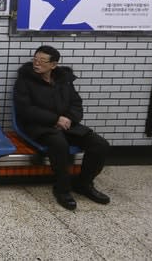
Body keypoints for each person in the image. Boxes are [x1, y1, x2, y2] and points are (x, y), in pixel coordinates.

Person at [14, 45, 110, 210]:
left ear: (53, 65)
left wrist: (69, 119)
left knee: (100, 144)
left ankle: (84, 183)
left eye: (42, 61)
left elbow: (76, 103)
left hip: (68, 125)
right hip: (39, 125)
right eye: (35, 60)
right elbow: (25, 109)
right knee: (59, 144)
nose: (36, 64)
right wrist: (55, 119)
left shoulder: (64, 80)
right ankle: (62, 188)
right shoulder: (25, 80)